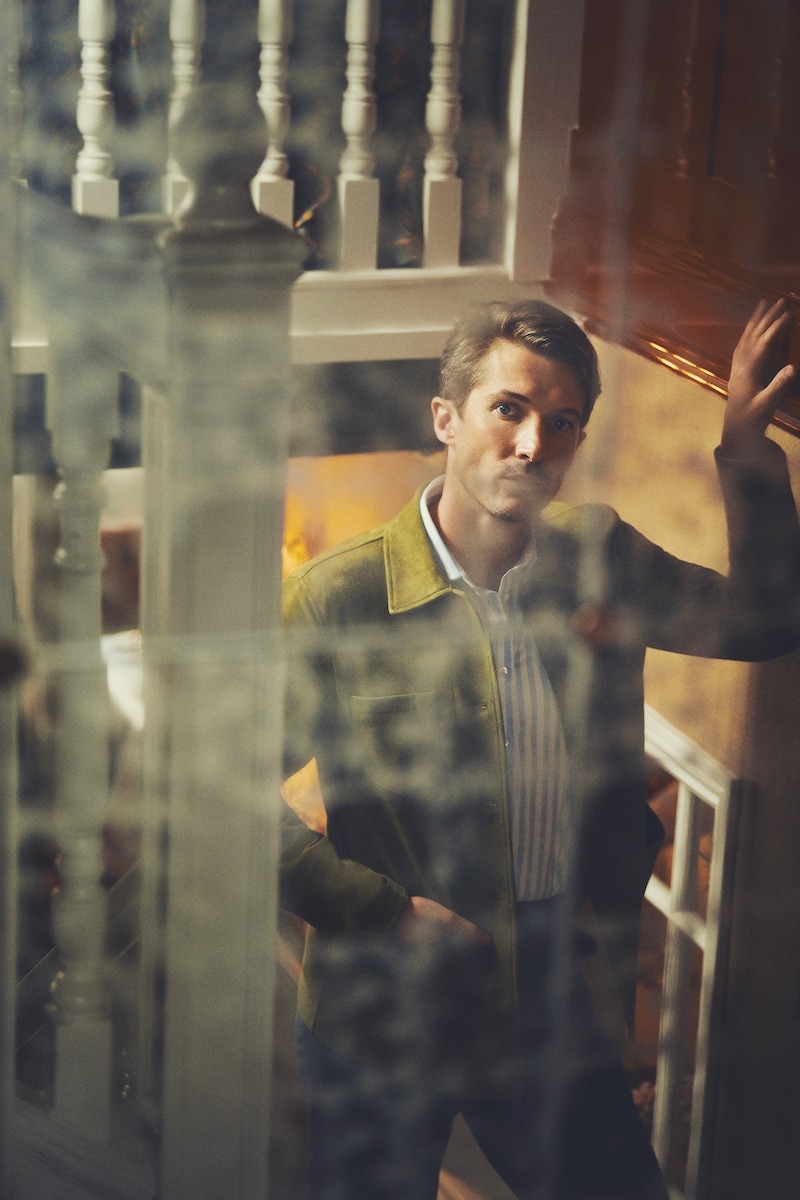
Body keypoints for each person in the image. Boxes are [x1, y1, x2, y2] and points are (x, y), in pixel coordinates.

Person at [280, 298, 800, 1199]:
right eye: (509, 410)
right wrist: (385, 913)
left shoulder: (600, 556)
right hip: (383, 1018)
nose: (533, 446)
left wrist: (748, 450)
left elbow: (762, 620)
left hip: (550, 1003)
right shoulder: (340, 598)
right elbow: (216, 803)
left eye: (562, 423)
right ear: (446, 418)